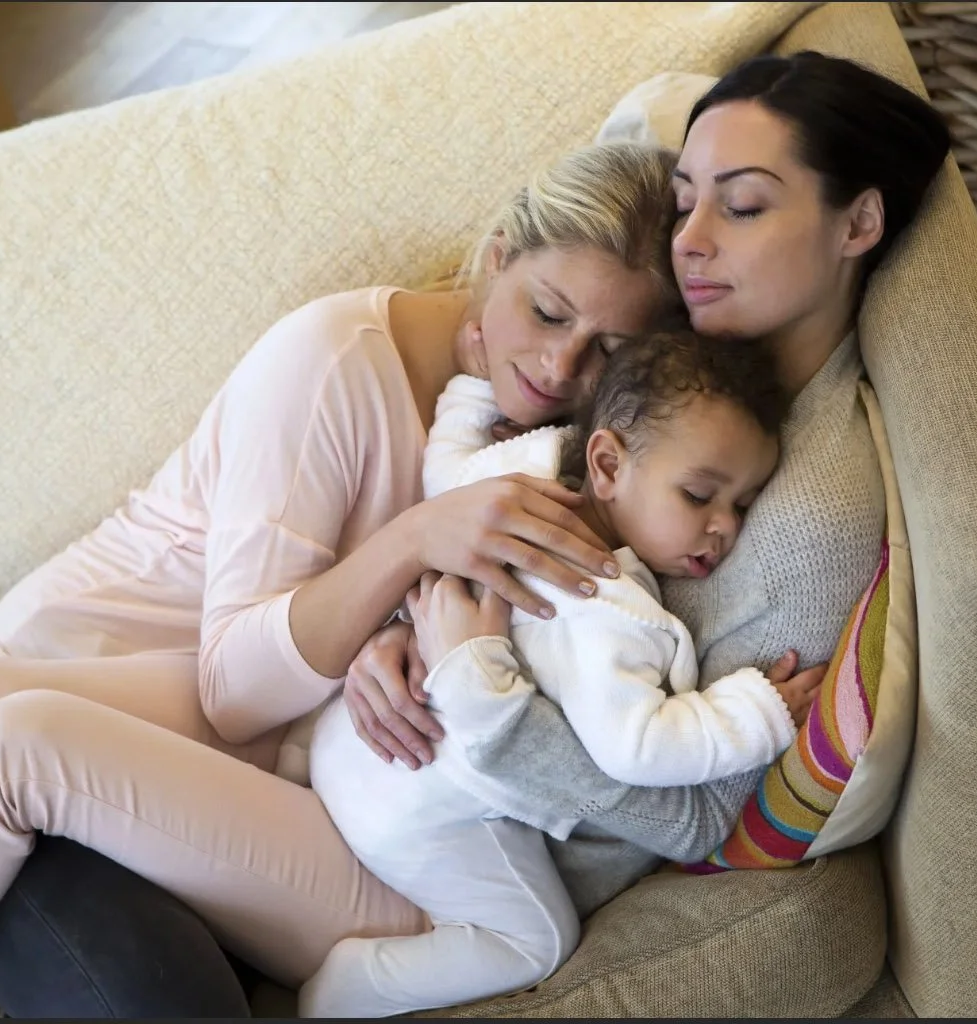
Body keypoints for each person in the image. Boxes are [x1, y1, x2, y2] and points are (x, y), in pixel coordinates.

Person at [0, 49, 951, 1019]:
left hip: (423, 839)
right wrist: (397, 626)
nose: (690, 238)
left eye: (737, 207)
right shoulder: (673, 337)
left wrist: (476, 680)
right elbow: (497, 528)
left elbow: (684, 810)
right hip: (337, 758)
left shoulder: (802, 513)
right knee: (20, 819)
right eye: (689, 198)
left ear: (858, 221)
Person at [0, 140, 695, 1019]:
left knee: (9, 731)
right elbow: (237, 688)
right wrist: (405, 560)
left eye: (609, 349)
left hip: (384, 835)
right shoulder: (340, 365)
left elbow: (291, 690)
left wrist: (406, 590)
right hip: (229, 727)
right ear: (497, 258)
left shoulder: (577, 453)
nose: (562, 366)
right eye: (547, 311)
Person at [300, 330, 815, 1018]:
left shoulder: (514, 487)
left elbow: (444, 471)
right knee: (536, 942)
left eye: (742, 505)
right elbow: (635, 747)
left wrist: (472, 390)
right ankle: (350, 989)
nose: (722, 527)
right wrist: (756, 711)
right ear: (605, 464)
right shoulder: (605, 607)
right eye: (698, 495)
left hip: (342, 739)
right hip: (426, 801)